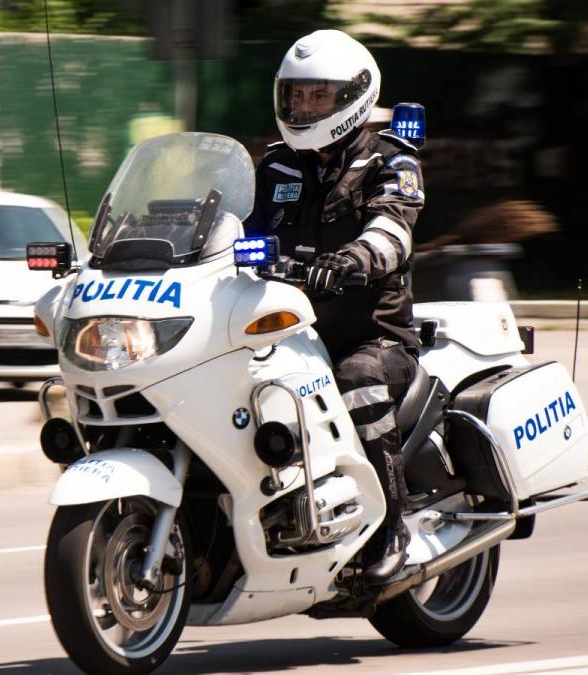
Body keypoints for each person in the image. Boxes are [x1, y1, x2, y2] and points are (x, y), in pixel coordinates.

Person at [244, 29, 424, 583]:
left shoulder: (390, 161)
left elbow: (394, 229)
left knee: (359, 381)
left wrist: (352, 261)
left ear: (353, 97)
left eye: (317, 96)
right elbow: (225, 228)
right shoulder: (273, 167)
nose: (302, 106)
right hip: (284, 332)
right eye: (296, 95)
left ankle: (390, 530)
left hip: (370, 335)